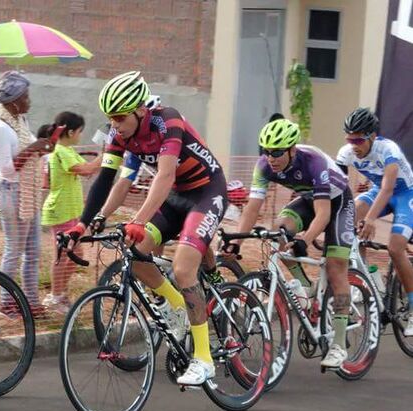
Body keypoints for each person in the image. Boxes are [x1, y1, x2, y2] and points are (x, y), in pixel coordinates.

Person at [67, 71, 228, 385]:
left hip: (207, 191)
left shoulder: (168, 122)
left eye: (119, 117)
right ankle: (178, 305)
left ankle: (204, 359)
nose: (114, 124)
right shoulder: (120, 136)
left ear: (140, 111)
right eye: (109, 118)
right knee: (134, 254)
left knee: (183, 269)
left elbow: (164, 176)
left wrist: (139, 220)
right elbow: (108, 181)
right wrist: (85, 222)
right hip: (177, 197)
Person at [227, 117, 355, 368]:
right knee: (279, 234)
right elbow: (253, 208)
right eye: (266, 151)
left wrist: (305, 240)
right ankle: (306, 287)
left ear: (292, 150)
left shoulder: (313, 162)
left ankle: (339, 344)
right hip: (309, 200)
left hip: (338, 204)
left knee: (335, 267)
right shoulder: (264, 166)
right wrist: (237, 242)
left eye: (276, 152)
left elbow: (324, 215)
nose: (270, 157)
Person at [336, 107, 413, 336]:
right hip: (378, 191)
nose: (354, 145)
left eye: (358, 139)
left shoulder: (389, 149)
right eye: (350, 139)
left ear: (371, 136)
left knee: (395, 248)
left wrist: (370, 219)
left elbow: (389, 189)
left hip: (405, 194)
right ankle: (364, 275)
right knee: (347, 220)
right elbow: (340, 192)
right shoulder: (346, 153)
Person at [0, 70, 50, 317]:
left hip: (27, 193)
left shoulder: (20, 122)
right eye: (26, 96)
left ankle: (31, 302)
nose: (29, 101)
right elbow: (6, 168)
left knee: (33, 251)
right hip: (11, 193)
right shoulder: (0, 127)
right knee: (14, 250)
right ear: (13, 101)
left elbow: (30, 149)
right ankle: (5, 303)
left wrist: (45, 146)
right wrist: (35, 147)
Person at [40, 111, 100, 313]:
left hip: (69, 212)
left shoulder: (67, 150)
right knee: (64, 255)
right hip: (61, 212)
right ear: (72, 131)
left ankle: (59, 293)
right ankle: (55, 296)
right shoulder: (62, 151)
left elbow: (87, 167)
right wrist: (108, 154)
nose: (81, 135)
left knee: (74, 254)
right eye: (80, 131)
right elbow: (87, 170)